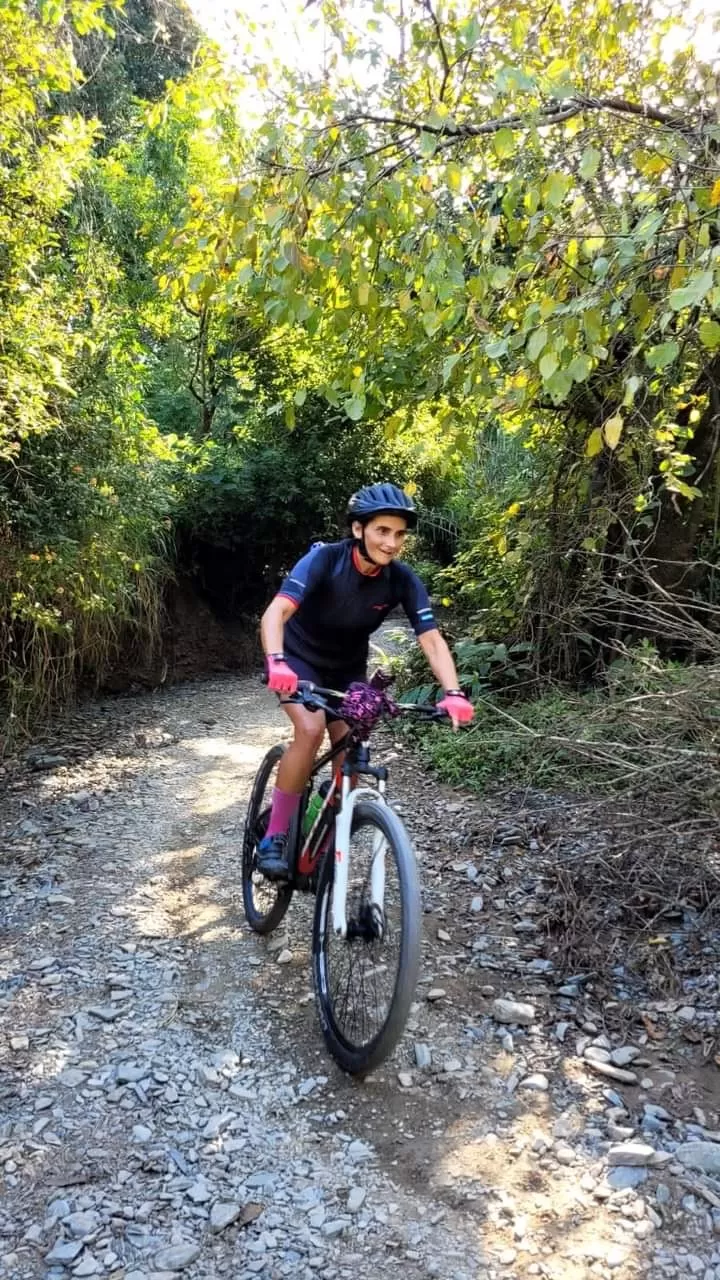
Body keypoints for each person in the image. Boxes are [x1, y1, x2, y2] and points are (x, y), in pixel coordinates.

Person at [257, 482, 474, 879]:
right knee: (309, 729)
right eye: (382, 531)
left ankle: (317, 822)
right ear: (358, 529)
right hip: (299, 660)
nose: (392, 543)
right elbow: (275, 614)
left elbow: (430, 638)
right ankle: (274, 834)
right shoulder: (325, 561)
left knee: (351, 753)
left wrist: (453, 692)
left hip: (347, 669)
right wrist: (277, 662)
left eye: (400, 534)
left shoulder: (402, 580)